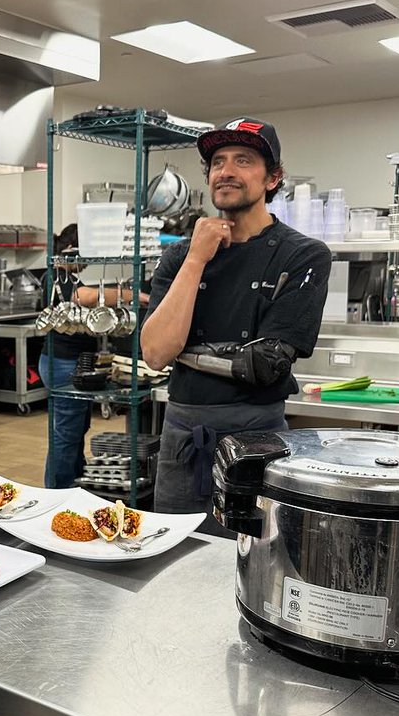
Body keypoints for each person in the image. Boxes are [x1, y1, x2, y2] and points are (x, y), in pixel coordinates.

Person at [141, 117, 331, 514]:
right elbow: (157, 353)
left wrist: (188, 353)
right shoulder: (180, 256)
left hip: (258, 444)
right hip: (182, 440)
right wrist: (196, 257)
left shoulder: (303, 255)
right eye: (218, 162)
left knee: (258, 562)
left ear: (273, 178)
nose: (225, 171)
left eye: (243, 160)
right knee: (175, 562)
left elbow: (265, 363)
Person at [37, 224, 149, 488]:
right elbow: (84, 296)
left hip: (70, 364)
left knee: (76, 429)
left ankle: (74, 481)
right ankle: (58, 489)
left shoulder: (66, 277)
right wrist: (132, 295)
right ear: (71, 251)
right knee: (66, 432)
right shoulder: (55, 276)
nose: (85, 265)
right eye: (84, 258)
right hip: (62, 364)